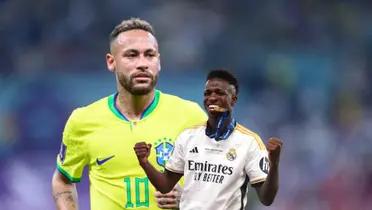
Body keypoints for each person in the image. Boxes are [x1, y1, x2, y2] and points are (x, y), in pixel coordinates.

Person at [51, 17, 207, 210]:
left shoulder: (191, 116)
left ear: (159, 62)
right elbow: (63, 180)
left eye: (149, 55)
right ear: (111, 62)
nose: (142, 63)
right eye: (131, 55)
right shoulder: (83, 121)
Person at [134, 69, 283, 210]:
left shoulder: (249, 142)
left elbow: (266, 198)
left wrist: (274, 163)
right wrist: (144, 162)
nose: (212, 97)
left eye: (220, 93)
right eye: (207, 93)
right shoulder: (188, 137)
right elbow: (165, 185)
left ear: (233, 99)